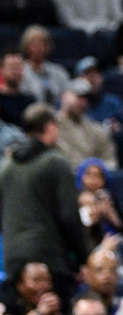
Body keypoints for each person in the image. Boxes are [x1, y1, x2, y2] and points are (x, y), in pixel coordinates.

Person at [0, 104, 89, 303]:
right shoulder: (55, 162)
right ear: (49, 127)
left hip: (13, 259)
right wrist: (83, 258)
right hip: (49, 260)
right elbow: (69, 216)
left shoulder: (5, 167)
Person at [56, 80, 117, 170]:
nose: (82, 102)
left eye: (86, 99)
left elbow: (110, 160)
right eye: (79, 97)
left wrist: (95, 172)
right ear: (64, 96)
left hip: (93, 179)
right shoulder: (52, 125)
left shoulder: (96, 129)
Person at [82, 249, 123, 315]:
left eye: (112, 270)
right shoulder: (81, 308)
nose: (107, 275)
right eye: (99, 270)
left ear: (118, 275)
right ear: (87, 275)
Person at [20, 26, 70, 105]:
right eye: (34, 44)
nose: (38, 48)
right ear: (26, 47)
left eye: (42, 43)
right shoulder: (20, 71)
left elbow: (68, 96)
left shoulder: (59, 72)